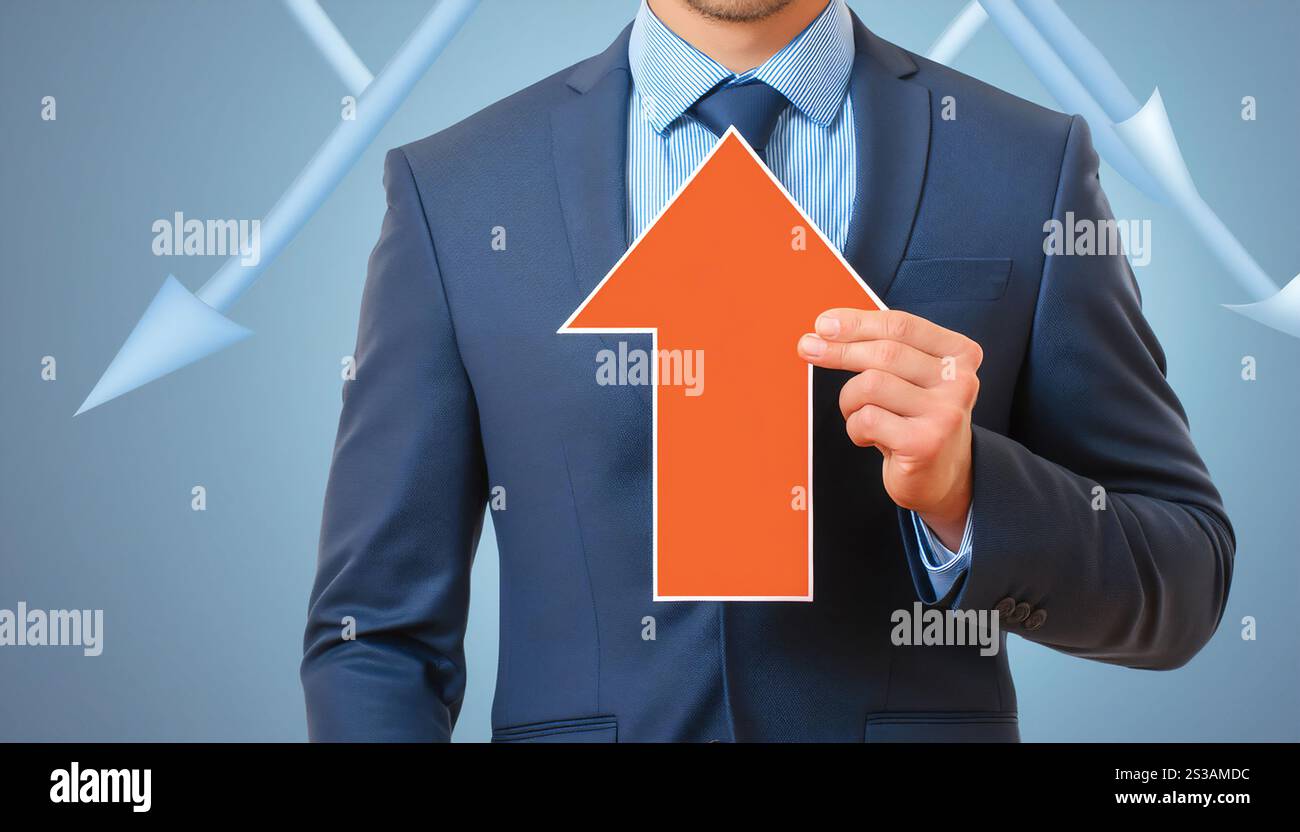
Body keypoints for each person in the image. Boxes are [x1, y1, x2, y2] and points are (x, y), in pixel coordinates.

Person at [302, 0, 1234, 742]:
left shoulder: (1027, 166)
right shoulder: (457, 190)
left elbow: (1184, 571)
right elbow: (374, 637)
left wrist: (968, 494)